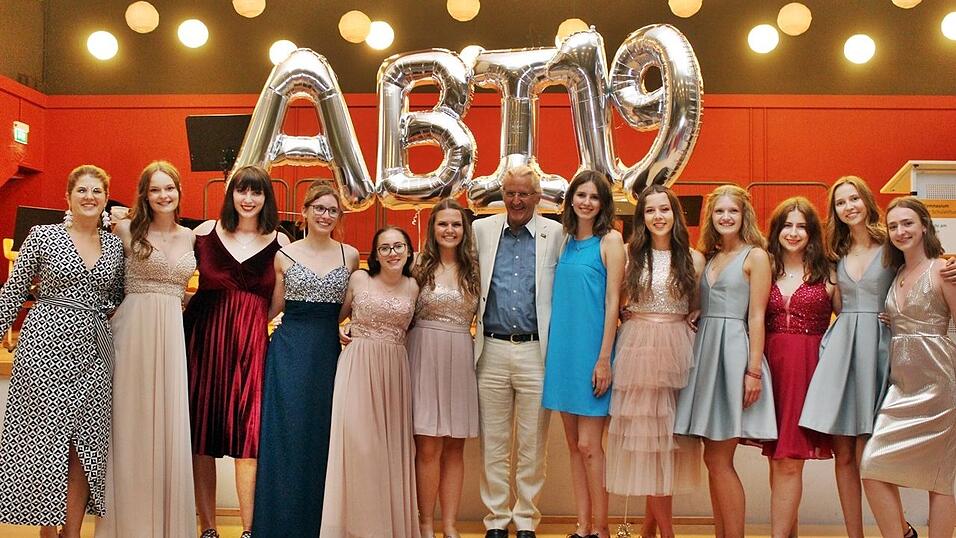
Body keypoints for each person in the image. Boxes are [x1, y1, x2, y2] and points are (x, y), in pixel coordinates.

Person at [0, 165, 125, 538]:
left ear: (106, 199)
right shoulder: (42, 237)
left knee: (82, 446)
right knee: (44, 441)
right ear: (67, 197)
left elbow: (120, 298)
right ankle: (47, 530)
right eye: (82, 190)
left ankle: (71, 532)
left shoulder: (117, 245)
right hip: (45, 346)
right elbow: (13, 291)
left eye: (97, 191)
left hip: (95, 351)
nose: (89, 197)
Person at [184, 165, 290, 538]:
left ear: (266, 198)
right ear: (230, 195)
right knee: (202, 436)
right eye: (241, 191)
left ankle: (250, 529)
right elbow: (168, 270)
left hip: (251, 344)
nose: (248, 199)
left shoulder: (281, 242)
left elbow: (278, 303)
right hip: (202, 340)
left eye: (256, 192)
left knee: (249, 437)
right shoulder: (203, 233)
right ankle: (208, 528)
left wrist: (247, 318)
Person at [795, 176, 901, 538]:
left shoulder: (891, 245)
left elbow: (920, 272)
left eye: (854, 198)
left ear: (867, 200)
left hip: (881, 349)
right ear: (834, 211)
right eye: (841, 202)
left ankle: (897, 529)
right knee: (843, 455)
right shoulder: (833, 254)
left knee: (872, 454)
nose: (849, 206)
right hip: (842, 349)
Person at [96, 161, 197, 537]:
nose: (163, 195)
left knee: (170, 420)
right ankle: (130, 524)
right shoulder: (124, 228)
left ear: (179, 191)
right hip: (133, 329)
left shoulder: (192, 236)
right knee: (131, 422)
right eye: (154, 190)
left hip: (172, 332)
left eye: (168, 188)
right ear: (145, 194)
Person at [251, 182, 359, 537]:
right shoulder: (285, 255)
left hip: (327, 354)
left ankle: (318, 523)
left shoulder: (351, 255)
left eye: (332, 210)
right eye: (320, 208)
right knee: (286, 435)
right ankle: (279, 524)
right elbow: (274, 306)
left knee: (321, 437)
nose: (325, 215)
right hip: (287, 353)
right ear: (306, 211)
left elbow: (346, 309)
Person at [674, 184, 776, 538]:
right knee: (711, 459)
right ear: (710, 218)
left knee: (719, 459)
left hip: (733, 355)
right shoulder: (710, 257)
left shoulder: (756, 256)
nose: (726, 217)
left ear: (743, 214)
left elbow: (757, 317)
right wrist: (701, 308)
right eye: (719, 212)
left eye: (732, 211)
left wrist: (753, 370)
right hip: (704, 354)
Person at [606, 184, 704, 538]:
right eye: (650, 211)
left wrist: (694, 314)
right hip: (639, 350)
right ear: (642, 218)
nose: (658, 217)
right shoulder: (631, 255)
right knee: (648, 444)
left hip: (678, 350)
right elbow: (615, 303)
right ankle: (667, 531)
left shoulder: (693, 258)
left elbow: (697, 304)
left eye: (664, 209)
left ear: (676, 215)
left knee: (668, 445)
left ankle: (650, 528)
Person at [473, 165, 565, 538]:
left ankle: (525, 520)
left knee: (532, 444)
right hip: (490, 348)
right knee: (492, 444)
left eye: (524, 193)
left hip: (535, 351)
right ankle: (496, 520)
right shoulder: (481, 230)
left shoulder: (555, 234)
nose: (516, 200)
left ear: (537, 197)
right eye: (510, 193)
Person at [861, 197, 956, 538]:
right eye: (894, 226)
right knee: (871, 468)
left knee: (941, 478)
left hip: (942, 385)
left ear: (925, 226)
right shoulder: (897, 272)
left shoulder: (944, 269)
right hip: (901, 388)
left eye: (908, 223)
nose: (900, 231)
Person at [320, 226, 420, 538]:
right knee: (358, 445)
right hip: (358, 364)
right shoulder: (359, 279)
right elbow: (334, 317)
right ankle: (355, 528)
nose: (393, 253)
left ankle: (384, 528)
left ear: (408, 249)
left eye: (399, 246)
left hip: (394, 369)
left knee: (387, 452)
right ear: (375, 254)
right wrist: (338, 331)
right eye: (385, 248)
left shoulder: (414, 286)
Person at [542, 170, 625, 538]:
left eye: (594, 196)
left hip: (594, 353)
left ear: (603, 203)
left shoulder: (610, 241)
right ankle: (582, 526)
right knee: (574, 446)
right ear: (571, 199)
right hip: (562, 354)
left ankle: (602, 529)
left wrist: (604, 358)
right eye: (581, 195)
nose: (586, 202)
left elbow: (613, 303)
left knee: (592, 446)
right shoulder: (561, 241)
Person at [761, 197, 836, 538]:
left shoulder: (829, 271)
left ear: (812, 232)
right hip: (769, 366)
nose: (793, 233)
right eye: (787, 225)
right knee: (777, 460)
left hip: (809, 369)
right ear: (776, 230)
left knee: (789, 460)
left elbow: (851, 315)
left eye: (801, 226)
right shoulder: (764, 267)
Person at [407, 199, 481, 538]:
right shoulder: (417, 266)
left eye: (456, 224)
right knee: (428, 447)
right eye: (443, 224)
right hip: (423, 354)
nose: (449, 230)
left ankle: (450, 525)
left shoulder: (475, 269)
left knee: (454, 447)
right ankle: (425, 524)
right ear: (432, 229)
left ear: (464, 230)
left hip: (460, 356)